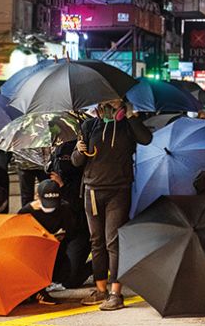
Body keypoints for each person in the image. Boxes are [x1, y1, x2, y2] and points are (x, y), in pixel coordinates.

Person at [72, 99, 152, 311]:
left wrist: (131, 115)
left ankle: (116, 293)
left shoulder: (127, 124)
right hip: (92, 190)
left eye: (114, 99)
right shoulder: (89, 126)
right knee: (96, 241)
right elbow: (76, 161)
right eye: (105, 100)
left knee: (113, 241)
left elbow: (146, 139)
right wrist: (79, 150)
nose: (109, 103)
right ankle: (101, 290)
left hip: (119, 190)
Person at [18, 180, 76, 306]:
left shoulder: (65, 209)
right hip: (32, 253)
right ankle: (36, 290)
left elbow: (72, 231)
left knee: (67, 275)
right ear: (37, 197)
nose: (50, 208)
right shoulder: (26, 212)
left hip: (56, 250)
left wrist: (61, 236)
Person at [48, 140, 93, 289]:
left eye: (65, 159)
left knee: (70, 281)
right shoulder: (54, 174)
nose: (62, 163)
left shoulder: (83, 178)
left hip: (81, 230)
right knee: (54, 275)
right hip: (62, 231)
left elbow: (78, 204)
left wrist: (62, 186)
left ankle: (100, 264)